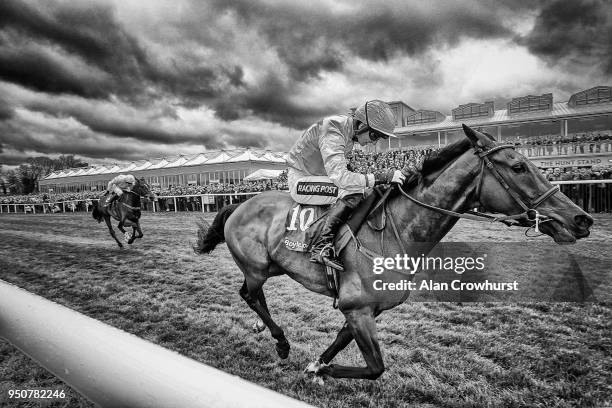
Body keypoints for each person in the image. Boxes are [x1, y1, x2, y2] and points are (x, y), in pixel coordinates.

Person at [287, 100, 408, 271]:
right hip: (300, 180)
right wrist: (381, 176)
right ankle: (322, 246)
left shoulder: (348, 133)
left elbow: (342, 170)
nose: (374, 142)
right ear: (361, 125)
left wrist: (371, 179)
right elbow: (341, 178)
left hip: (317, 177)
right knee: (355, 190)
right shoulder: (334, 129)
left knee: (362, 188)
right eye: (374, 136)